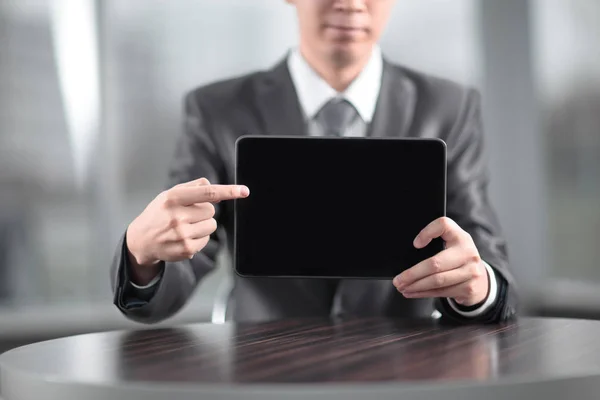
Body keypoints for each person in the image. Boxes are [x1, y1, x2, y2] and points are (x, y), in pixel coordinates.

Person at [110, 0, 517, 324]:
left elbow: (484, 252)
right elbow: (188, 252)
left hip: (403, 371)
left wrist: (478, 286)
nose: (352, 3)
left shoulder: (449, 108)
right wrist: (142, 257)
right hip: (267, 371)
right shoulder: (217, 110)